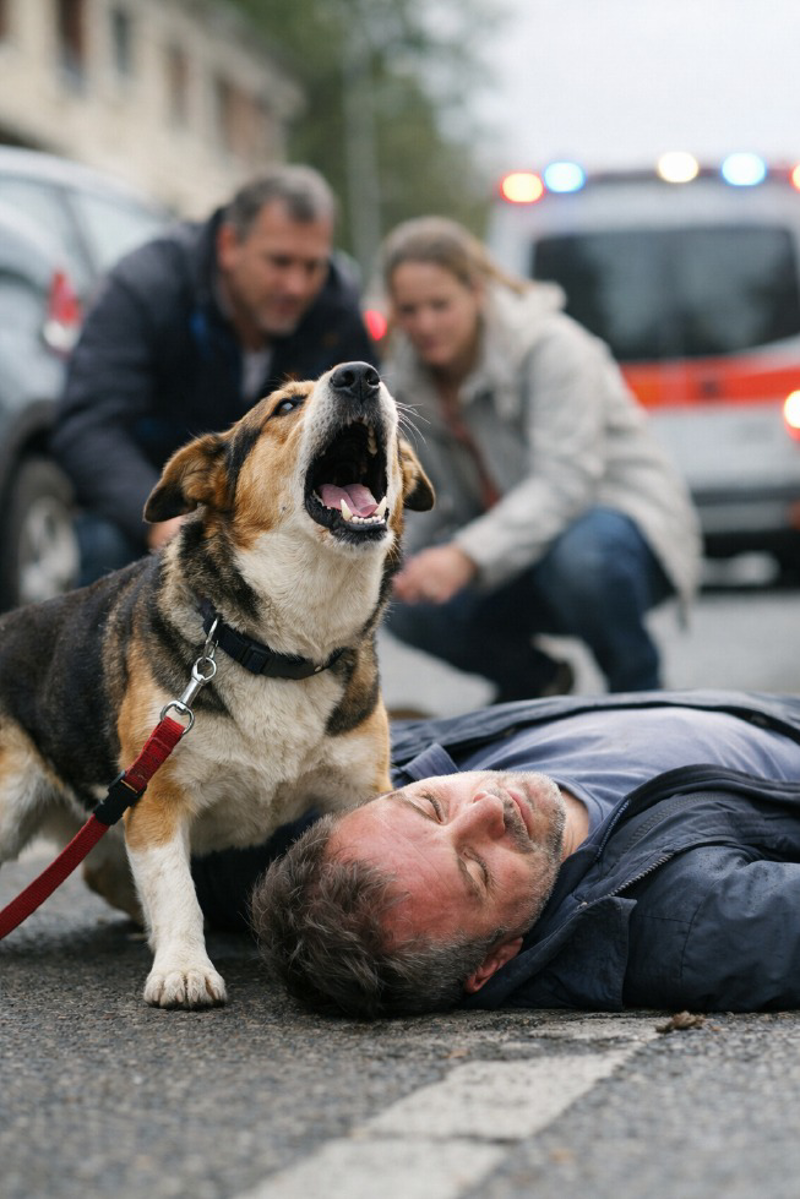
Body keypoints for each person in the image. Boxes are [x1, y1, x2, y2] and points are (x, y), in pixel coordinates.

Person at [189, 690, 800, 1018]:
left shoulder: (366, 786)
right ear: (492, 962)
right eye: (476, 868)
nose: (485, 807)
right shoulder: (687, 920)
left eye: (429, 806)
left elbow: (195, 849)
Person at [376, 216, 701, 698]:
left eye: (440, 305)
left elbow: (566, 485)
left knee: (582, 558)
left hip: (618, 537)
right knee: (397, 594)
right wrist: (382, 563)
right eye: (410, 310)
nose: (425, 324)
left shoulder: (554, 348)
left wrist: (466, 556)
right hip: (516, 549)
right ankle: (534, 684)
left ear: (477, 292)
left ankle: (640, 690)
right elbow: (425, 499)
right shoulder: (404, 379)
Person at [52, 165, 378, 585]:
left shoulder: (335, 305)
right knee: (105, 546)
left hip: (272, 512)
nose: (297, 285)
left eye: (313, 266)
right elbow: (87, 426)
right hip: (151, 504)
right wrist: (161, 520)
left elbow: (361, 428)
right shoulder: (146, 288)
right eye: (279, 262)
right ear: (229, 245)